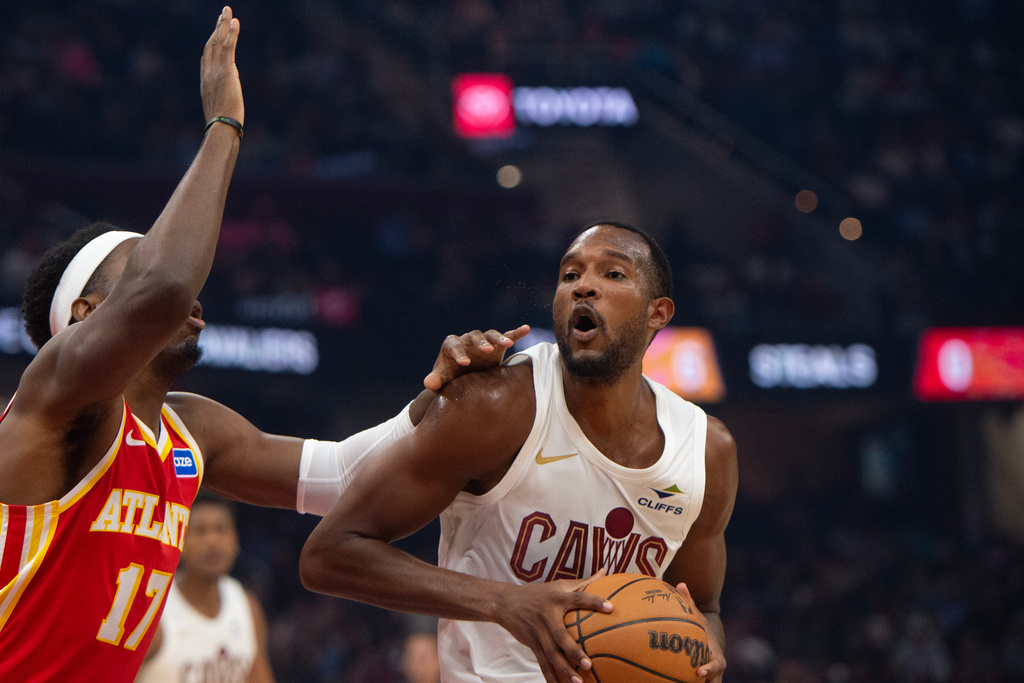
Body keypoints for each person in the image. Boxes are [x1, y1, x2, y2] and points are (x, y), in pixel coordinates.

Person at [0, 8, 523, 681]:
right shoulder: (54, 399)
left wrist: (435, 398)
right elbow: (163, 286)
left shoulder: (191, 430)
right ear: (86, 313)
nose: (190, 295)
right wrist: (224, 123)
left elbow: (339, 475)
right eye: (140, 270)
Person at [300, 221, 738, 683]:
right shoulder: (496, 405)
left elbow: (703, 608)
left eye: (613, 274)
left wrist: (707, 653)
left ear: (658, 313)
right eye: (569, 275)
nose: (583, 286)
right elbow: (329, 554)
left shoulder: (707, 451)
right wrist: (502, 602)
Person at [135, 493, 274, 683]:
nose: (212, 541)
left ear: (236, 539)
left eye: (221, 529)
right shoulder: (153, 613)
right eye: (200, 531)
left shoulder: (247, 607)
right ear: (179, 540)